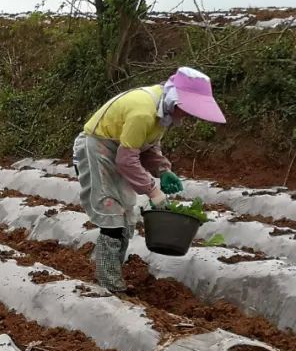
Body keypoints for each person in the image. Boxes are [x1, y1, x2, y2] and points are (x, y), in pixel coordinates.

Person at [73, 67, 226, 292]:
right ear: (176, 101)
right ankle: (109, 282)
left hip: (120, 150)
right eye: (188, 110)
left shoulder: (161, 113)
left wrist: (163, 170)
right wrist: (153, 190)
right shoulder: (143, 112)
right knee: (112, 215)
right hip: (98, 148)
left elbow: (148, 145)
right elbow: (126, 160)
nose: (190, 116)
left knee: (126, 215)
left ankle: (111, 271)